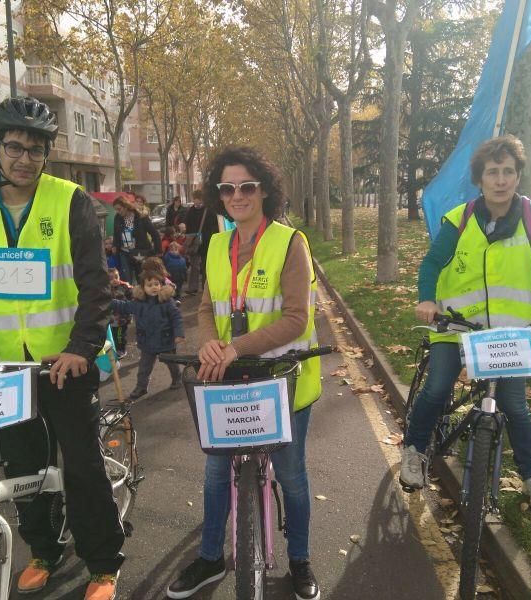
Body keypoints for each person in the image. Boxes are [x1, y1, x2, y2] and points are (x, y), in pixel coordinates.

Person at [0, 96, 124, 600]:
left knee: (81, 466)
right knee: (23, 468)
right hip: (2, 368)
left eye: (37, 149)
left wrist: (81, 346)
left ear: (48, 152)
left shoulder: (70, 199)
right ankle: (45, 551)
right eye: (15, 147)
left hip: (65, 365)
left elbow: (96, 285)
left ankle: (102, 563)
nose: (25, 159)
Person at [166, 147, 322, 600]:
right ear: (219, 195)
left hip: (283, 381)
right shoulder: (216, 244)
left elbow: (297, 319)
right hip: (228, 382)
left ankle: (300, 560)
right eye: (228, 188)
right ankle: (211, 557)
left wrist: (234, 347)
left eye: (247, 186)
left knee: (291, 477)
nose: (237, 196)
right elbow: (203, 308)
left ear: (265, 191)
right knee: (216, 475)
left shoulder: (291, 243)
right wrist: (210, 344)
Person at [401, 135, 531, 512]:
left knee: (515, 407)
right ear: (480, 178)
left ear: (518, 176)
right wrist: (426, 299)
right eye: (492, 172)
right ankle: (415, 451)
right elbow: (432, 264)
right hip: (457, 327)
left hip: (511, 336)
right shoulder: (460, 218)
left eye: (508, 172)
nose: (500, 180)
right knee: (437, 389)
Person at [111, 269, 184, 400]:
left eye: (156, 284)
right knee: (144, 368)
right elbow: (124, 306)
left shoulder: (167, 302)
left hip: (165, 340)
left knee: (172, 363)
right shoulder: (139, 303)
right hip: (147, 342)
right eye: (149, 285)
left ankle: (177, 378)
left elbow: (176, 317)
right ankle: (141, 387)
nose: (154, 287)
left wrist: (179, 334)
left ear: (161, 285)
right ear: (143, 288)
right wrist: (109, 302)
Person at [112, 195, 161, 284]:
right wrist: (114, 245)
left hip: (139, 252)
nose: (118, 212)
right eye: (116, 210)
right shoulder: (117, 218)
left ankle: (141, 296)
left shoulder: (141, 217)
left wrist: (157, 252)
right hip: (124, 252)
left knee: (141, 277)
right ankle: (129, 296)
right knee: (127, 279)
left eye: (119, 209)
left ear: (126, 206)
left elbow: (155, 234)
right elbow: (116, 233)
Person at [183, 189, 219, 295]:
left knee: (205, 265)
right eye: (195, 199)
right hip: (194, 241)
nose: (196, 201)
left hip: (207, 241)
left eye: (198, 199)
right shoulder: (190, 211)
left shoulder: (209, 211)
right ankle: (193, 287)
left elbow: (215, 226)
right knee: (194, 265)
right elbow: (187, 224)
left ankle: (205, 288)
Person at [109, 267, 133, 357]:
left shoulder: (124, 287)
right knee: (113, 335)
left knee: (120, 336)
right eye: (111, 279)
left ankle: (121, 349)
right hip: (111, 319)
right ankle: (115, 348)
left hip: (122, 319)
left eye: (116, 276)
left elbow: (132, 297)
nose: (115, 280)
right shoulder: (105, 288)